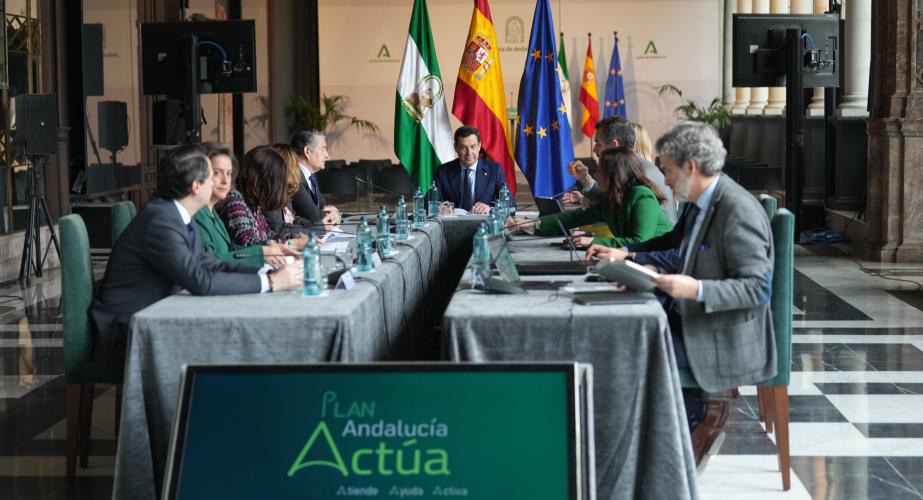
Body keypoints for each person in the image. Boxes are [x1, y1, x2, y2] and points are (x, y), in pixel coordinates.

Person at [587, 122, 776, 471]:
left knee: (636, 340)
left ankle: (697, 413)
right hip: (691, 313)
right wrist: (628, 255)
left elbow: (758, 289)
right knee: (619, 326)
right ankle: (641, 440)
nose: (664, 180)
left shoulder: (737, 210)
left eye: (668, 171)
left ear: (690, 167)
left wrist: (696, 288)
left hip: (724, 330)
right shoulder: (697, 201)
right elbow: (673, 246)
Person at [90, 144, 303, 371]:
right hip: (127, 327)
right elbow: (201, 280)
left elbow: (211, 262)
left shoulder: (178, 214)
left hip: (158, 312)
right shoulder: (161, 220)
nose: (221, 183)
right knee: (235, 337)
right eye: (213, 176)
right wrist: (270, 283)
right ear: (196, 186)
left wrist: (267, 273)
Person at [506, 147, 672, 248]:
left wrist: (594, 242)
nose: (596, 176)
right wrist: (531, 224)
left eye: (600, 172)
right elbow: (574, 217)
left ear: (614, 174)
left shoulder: (641, 195)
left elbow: (639, 242)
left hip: (660, 265)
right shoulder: (613, 199)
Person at [194, 142, 299, 269]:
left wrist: (285, 243)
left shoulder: (214, 212)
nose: (226, 181)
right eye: (217, 173)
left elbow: (233, 250)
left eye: (228, 173)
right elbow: (209, 263)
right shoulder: (227, 201)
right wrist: (290, 244)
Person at [563, 116, 677, 224]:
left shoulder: (639, 173)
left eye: (598, 143)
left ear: (614, 145)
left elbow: (610, 210)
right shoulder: (630, 166)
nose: (594, 149)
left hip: (656, 244)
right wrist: (584, 178)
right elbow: (607, 204)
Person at [217, 146, 309, 250]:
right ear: (257, 180)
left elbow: (268, 235)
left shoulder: (254, 203)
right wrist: (292, 244)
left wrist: (293, 237)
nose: (278, 188)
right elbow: (247, 244)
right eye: (276, 182)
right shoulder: (234, 200)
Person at [432, 126, 510, 214]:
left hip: (484, 223)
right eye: (463, 147)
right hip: (453, 223)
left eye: (473, 146)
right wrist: (438, 207)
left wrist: (490, 208)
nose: (469, 153)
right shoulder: (443, 171)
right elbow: (427, 203)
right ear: (456, 148)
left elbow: (510, 203)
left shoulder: (494, 170)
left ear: (479, 146)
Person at [290, 129, 340, 228]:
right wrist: (334, 214)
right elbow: (315, 217)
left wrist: (332, 212)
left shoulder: (310, 175)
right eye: (323, 149)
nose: (327, 155)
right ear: (307, 151)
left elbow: (324, 206)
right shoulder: (295, 177)